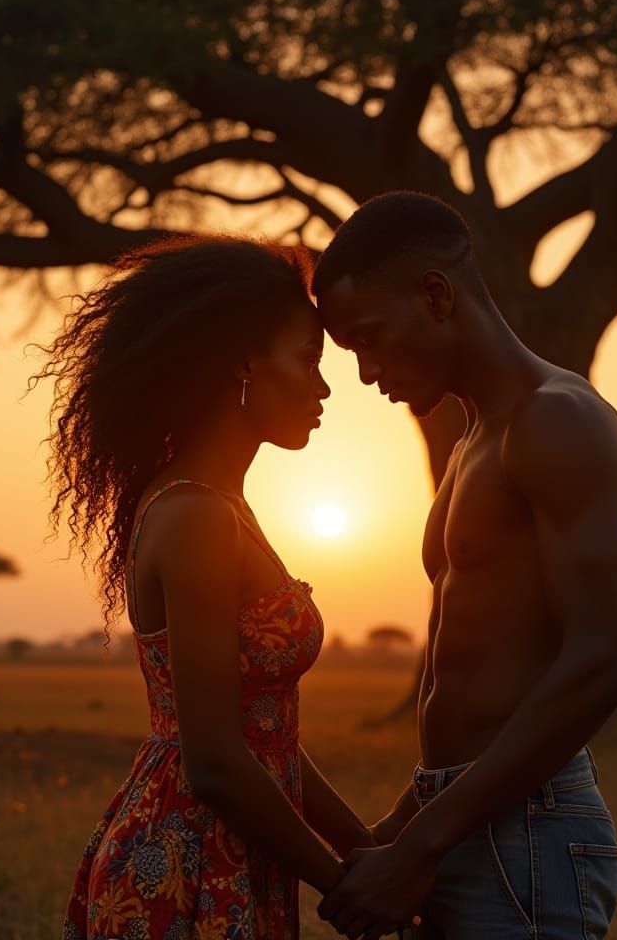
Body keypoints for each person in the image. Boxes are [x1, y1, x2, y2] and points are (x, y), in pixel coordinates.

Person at [312, 192, 617, 940]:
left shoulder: (557, 420)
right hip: (466, 818)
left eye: (370, 338)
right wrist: (402, 826)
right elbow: (481, 677)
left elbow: (605, 661)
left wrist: (422, 845)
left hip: (524, 832)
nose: (365, 373)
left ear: (435, 295)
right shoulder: (472, 443)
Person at [40, 236, 382, 940]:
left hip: (226, 845)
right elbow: (217, 761)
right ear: (242, 366)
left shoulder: (223, 507)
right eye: (308, 361)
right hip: (185, 860)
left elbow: (265, 743)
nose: (324, 388)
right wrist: (345, 885)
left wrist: (372, 851)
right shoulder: (195, 515)